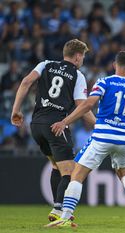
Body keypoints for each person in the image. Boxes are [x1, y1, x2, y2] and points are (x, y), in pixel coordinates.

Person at [45, 51, 125, 228]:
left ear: (114, 65)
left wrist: (65, 121)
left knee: (76, 175)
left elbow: (88, 104)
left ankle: (65, 216)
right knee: (124, 173)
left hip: (102, 136)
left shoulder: (104, 82)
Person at [11, 39, 96, 222]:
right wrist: (98, 125)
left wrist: (16, 110)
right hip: (56, 126)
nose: (82, 61)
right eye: (83, 57)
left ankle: (57, 207)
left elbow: (26, 82)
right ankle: (59, 211)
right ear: (78, 56)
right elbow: (82, 107)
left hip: (37, 125)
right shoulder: (77, 75)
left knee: (56, 166)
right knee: (71, 170)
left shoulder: (45, 64)